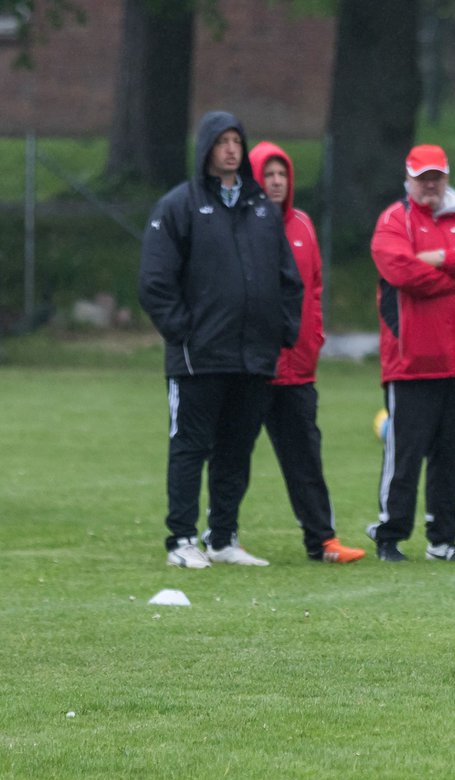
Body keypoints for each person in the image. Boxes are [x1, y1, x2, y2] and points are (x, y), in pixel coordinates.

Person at [139, 110, 303, 568]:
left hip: (253, 356)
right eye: (222, 141)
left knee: (236, 449)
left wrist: (282, 331)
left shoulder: (261, 210)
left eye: (237, 140)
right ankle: (182, 541)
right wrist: (182, 332)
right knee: (190, 446)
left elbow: (289, 280)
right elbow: (154, 281)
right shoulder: (180, 205)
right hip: (199, 356)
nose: (231, 149)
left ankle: (223, 537)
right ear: (207, 148)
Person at [367, 144, 455, 563]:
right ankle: (389, 536)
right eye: (422, 177)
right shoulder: (394, 220)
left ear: (446, 177)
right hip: (411, 362)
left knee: (451, 456)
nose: (430, 184)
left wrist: (444, 257)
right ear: (408, 180)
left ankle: (443, 540)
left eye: (436, 176)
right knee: (405, 457)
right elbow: (402, 272)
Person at [248, 141, 365, 564]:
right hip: (251, 367)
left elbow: (313, 290)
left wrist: (312, 338)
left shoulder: (302, 225)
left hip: (297, 369)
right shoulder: (242, 224)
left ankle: (323, 542)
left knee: (306, 459)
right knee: (232, 457)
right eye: (268, 175)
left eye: (282, 175)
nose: (276, 182)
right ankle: (218, 535)